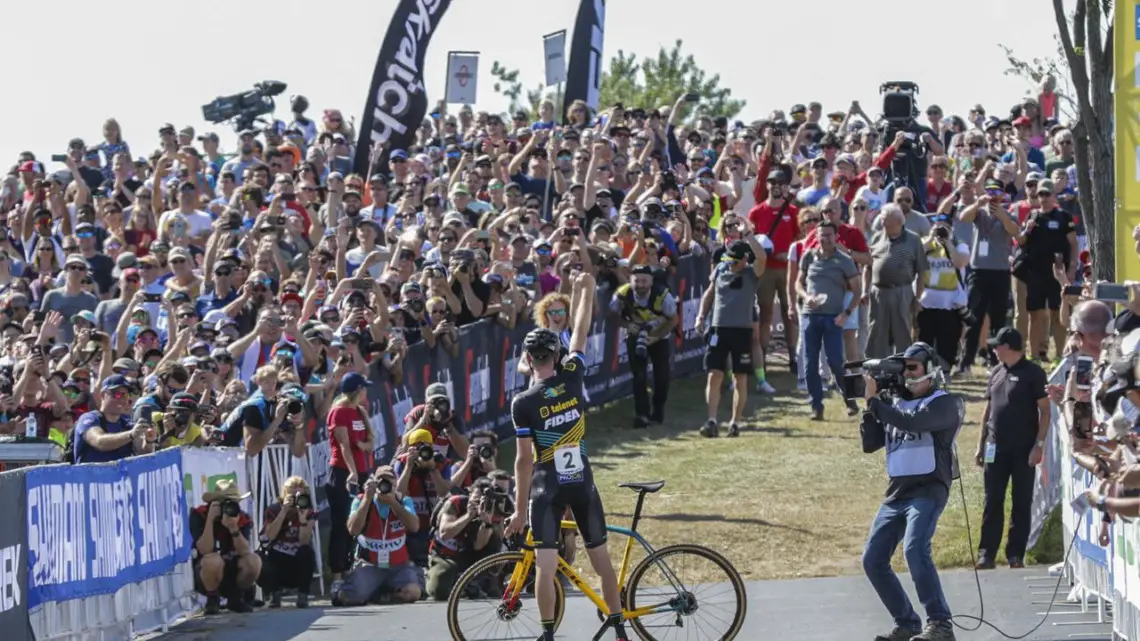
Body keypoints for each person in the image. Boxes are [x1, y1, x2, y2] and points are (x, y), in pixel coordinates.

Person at [505, 272, 630, 641]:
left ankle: (547, 634)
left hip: (547, 487)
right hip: (582, 484)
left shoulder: (523, 402)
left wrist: (518, 507)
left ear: (528, 358)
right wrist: (585, 292)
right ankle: (619, 627)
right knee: (603, 564)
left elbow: (523, 461)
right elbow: (580, 333)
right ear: (556, 355)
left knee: (545, 568)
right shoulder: (573, 377)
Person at [859, 342, 963, 641]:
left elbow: (914, 422)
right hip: (897, 493)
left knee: (915, 549)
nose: (906, 374)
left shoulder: (945, 402)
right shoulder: (892, 404)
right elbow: (870, 444)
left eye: (912, 367)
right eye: (903, 368)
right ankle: (907, 622)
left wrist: (877, 405)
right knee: (873, 559)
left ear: (930, 371)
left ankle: (940, 624)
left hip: (928, 490)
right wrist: (871, 406)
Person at [973, 328, 1049, 569]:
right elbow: (988, 410)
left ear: (1010, 347)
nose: (994, 349)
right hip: (995, 447)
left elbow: (1045, 411)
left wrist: (1038, 445)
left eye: (998, 345)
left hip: (1024, 448)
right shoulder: (996, 372)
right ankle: (987, 553)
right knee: (992, 499)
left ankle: (1015, 553)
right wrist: (980, 444)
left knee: (1021, 501)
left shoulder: (1033, 373)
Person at [694, 235, 766, 437]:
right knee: (714, 374)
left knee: (739, 377)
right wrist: (701, 316)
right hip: (718, 329)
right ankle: (711, 420)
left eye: (736, 259)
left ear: (744, 259)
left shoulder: (753, 273)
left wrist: (750, 236)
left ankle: (735, 422)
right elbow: (709, 294)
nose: (731, 263)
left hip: (741, 331)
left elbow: (762, 257)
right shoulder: (720, 270)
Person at [796, 220, 862, 420]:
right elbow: (798, 282)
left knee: (835, 362)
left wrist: (846, 314)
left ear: (836, 237)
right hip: (810, 315)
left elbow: (857, 290)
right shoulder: (808, 256)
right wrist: (806, 297)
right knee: (810, 363)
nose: (824, 239)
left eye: (828, 235)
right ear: (816, 236)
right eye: (821, 235)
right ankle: (816, 405)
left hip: (833, 317)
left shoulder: (844, 260)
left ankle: (849, 400)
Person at [334, 465, 422, 606]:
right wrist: (367, 499)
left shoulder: (404, 500)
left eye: (389, 481)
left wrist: (393, 502)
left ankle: (382, 595)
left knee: (413, 592)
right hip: (370, 564)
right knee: (348, 597)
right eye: (381, 481)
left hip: (398, 566)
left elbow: (414, 527)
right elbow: (353, 530)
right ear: (374, 482)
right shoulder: (361, 499)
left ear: (395, 483)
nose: (385, 485)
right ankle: (367, 590)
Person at [325, 370, 375, 597]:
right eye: (363, 388)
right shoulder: (339, 412)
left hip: (362, 472)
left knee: (363, 522)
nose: (366, 392)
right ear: (357, 390)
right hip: (342, 472)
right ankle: (338, 577)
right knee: (341, 525)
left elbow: (369, 441)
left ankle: (360, 572)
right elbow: (344, 446)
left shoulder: (360, 411)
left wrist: (363, 448)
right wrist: (353, 473)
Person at [610, 265, 678, 428]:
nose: (640, 285)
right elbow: (612, 315)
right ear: (630, 280)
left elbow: (673, 320)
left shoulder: (662, 295)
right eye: (636, 281)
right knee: (639, 376)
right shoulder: (622, 293)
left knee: (662, 376)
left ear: (651, 280)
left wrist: (655, 337)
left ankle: (658, 409)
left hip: (660, 335)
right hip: (635, 335)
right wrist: (631, 327)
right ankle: (642, 414)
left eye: (644, 281)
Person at [424, 476, 506, 600]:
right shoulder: (455, 503)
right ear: (469, 493)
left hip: (469, 555)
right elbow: (444, 533)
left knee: (491, 589)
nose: (480, 503)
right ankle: (426, 574)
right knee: (439, 589)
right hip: (445, 555)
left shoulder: (490, 510)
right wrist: (468, 516)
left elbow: (479, 546)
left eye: (483, 500)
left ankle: (475, 582)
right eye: (477, 498)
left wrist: (486, 523)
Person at [188, 479, 261, 615]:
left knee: (254, 561)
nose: (228, 507)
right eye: (225, 503)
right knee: (213, 560)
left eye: (233, 503)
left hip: (232, 571)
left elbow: (245, 551)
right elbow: (205, 550)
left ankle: (236, 597)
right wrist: (210, 520)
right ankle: (212, 599)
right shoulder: (200, 515)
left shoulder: (241, 518)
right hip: (206, 575)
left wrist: (233, 528)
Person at [258, 475, 317, 608]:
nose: (297, 496)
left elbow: (304, 541)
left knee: (306, 552)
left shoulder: (309, 512)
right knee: (262, 557)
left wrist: (302, 520)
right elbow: (271, 536)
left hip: (297, 565)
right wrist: (284, 511)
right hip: (278, 561)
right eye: (293, 492)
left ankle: (303, 594)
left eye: (300, 492)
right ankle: (274, 593)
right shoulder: (273, 510)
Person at [73, 374, 152, 463]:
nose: (122, 399)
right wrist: (131, 435)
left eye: (125, 395)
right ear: (103, 395)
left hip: (121, 477)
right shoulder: (90, 419)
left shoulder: (126, 422)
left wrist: (149, 440)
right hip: (89, 476)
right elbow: (99, 442)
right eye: (117, 394)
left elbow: (143, 453)